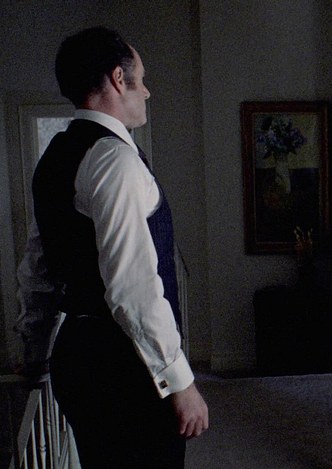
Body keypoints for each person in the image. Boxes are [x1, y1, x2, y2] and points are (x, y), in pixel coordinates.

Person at [16, 26, 208, 468]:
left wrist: (34, 351)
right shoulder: (114, 159)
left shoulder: (56, 155)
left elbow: (37, 269)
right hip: (123, 368)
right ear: (119, 79)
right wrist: (179, 381)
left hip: (78, 355)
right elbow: (133, 289)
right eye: (141, 79)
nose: (148, 91)